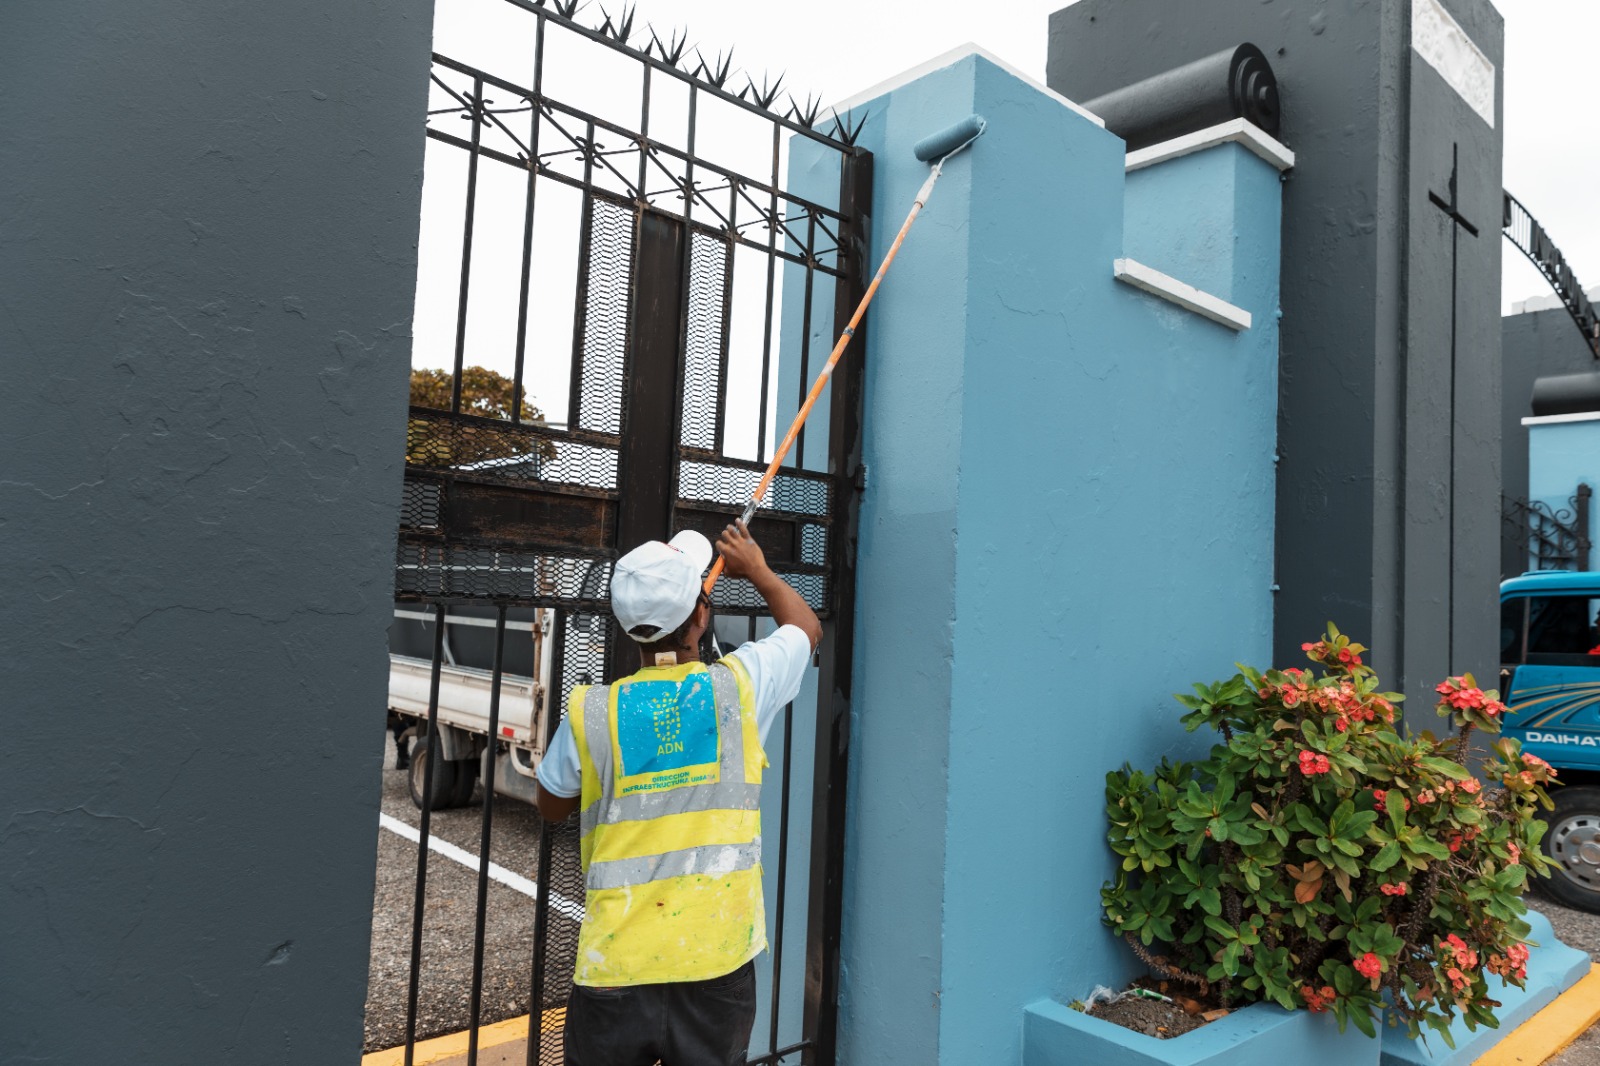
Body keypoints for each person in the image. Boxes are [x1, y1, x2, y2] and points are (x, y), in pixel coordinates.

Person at [535, 520, 821, 1066]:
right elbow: (805, 628)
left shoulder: (593, 711)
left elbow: (551, 805)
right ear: (701, 615)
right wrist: (757, 570)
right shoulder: (739, 686)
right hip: (716, 959)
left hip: (616, 962)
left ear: (630, 628)